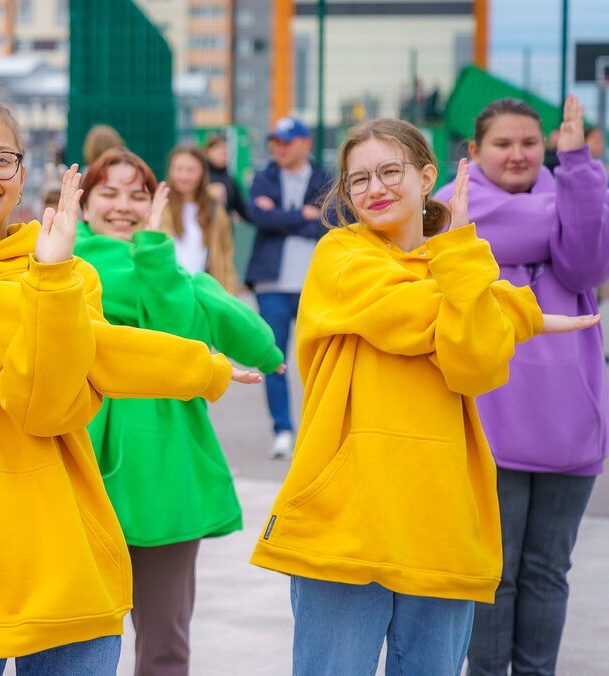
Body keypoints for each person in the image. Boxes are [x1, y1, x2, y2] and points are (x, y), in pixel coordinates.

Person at [0, 98, 261, 674]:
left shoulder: (68, 269)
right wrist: (196, 364)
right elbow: (87, 347)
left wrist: (53, 282)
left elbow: (46, 409)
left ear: (23, 173)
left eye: (0, 159)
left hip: (69, 561)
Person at [248, 118, 597, 676]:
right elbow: (419, 316)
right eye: (358, 179)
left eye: (391, 171)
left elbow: (475, 364)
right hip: (348, 521)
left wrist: (470, 273)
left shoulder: (454, 265)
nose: (375, 189)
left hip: (439, 520)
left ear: (426, 177)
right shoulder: (341, 256)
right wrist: (510, 307)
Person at [73, 147, 283, 676]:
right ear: (82, 204)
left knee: (165, 644)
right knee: (71, 642)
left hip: (166, 475)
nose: (123, 206)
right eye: (109, 192)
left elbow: (187, 334)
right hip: (76, 466)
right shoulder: (59, 271)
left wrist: (155, 250)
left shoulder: (170, 272)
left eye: (138, 196)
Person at [435, 96, 609, 676]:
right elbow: (459, 240)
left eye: (531, 144)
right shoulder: (448, 210)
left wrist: (579, 166)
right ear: (474, 152)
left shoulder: (572, 193)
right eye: (502, 144)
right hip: (489, 423)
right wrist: (572, 203)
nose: (517, 154)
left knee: (547, 572)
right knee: (494, 572)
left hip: (569, 425)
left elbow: (587, 267)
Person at [246, 116, 332, 459]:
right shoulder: (263, 178)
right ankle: (283, 429)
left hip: (316, 284)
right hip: (271, 284)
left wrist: (285, 217)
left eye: (287, 141)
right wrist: (304, 216)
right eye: (275, 142)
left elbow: (333, 219)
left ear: (305, 143)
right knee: (275, 359)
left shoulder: (326, 179)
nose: (279, 148)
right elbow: (261, 218)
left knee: (321, 362)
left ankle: (319, 429)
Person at [164, 144, 239, 292]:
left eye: (191, 170)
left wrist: (229, 294)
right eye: (178, 169)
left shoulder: (215, 210)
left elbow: (225, 257)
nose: (184, 176)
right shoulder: (160, 207)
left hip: (204, 293)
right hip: (169, 292)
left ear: (202, 172)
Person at [203, 134, 248, 222]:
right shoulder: (200, 176)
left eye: (225, 147)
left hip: (224, 232)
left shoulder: (230, 180)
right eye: (218, 147)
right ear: (208, 152)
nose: (223, 151)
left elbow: (243, 209)